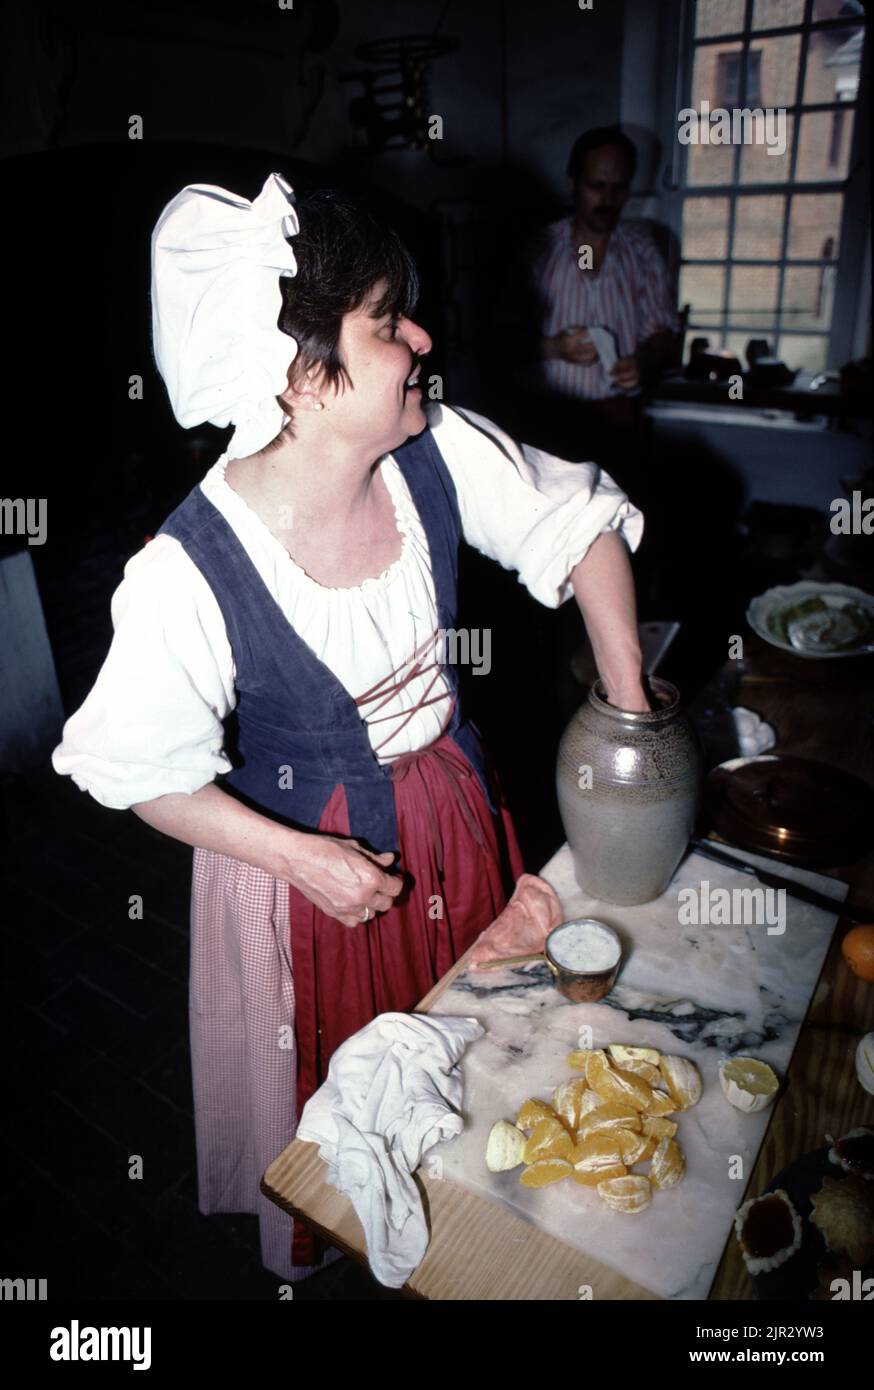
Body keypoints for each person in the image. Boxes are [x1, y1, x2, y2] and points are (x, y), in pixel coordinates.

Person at [52, 173, 648, 1282]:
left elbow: (582, 526)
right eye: (387, 322)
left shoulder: (434, 450)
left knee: (470, 1052)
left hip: (452, 817)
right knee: (342, 1095)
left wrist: (626, 699)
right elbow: (132, 768)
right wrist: (301, 859)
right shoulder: (187, 569)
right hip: (306, 872)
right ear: (302, 376)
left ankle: (472, 1220)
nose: (422, 337)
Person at [495, 126, 679, 493]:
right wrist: (552, 347)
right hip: (547, 419)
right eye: (597, 186)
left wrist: (643, 362)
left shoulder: (642, 251)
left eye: (620, 188)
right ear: (573, 183)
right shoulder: (538, 249)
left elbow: (662, 332)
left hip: (616, 420)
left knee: (616, 528)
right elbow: (500, 336)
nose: (609, 199)